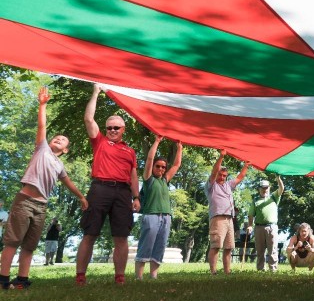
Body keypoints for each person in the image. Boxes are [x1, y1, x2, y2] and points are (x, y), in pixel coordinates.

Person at [1, 87, 87, 290]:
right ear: (49, 141)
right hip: (24, 201)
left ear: (65, 150)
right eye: (56, 137)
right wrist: (42, 104)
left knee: (30, 244)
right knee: (13, 240)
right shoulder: (42, 149)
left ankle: (22, 279)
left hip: (41, 206)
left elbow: (69, 183)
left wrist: (82, 197)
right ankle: (3, 278)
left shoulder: (59, 165)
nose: (58, 139)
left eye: (63, 140)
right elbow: (42, 126)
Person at [76, 84, 138, 286]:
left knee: (121, 236)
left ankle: (120, 277)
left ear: (123, 130)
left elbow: (134, 175)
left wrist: (136, 197)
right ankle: (80, 277)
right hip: (100, 189)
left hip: (123, 192)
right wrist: (95, 92)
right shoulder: (100, 141)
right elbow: (88, 119)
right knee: (90, 233)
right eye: (109, 127)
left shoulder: (130, 151)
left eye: (116, 128)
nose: (112, 130)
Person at [135, 135, 182, 280]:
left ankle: (153, 275)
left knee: (160, 246)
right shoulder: (149, 179)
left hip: (166, 217)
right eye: (158, 166)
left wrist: (179, 148)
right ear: (153, 167)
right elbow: (149, 159)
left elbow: (176, 165)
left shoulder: (164, 180)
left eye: (163, 167)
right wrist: (156, 141)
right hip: (151, 215)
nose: (161, 169)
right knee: (146, 245)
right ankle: (139, 277)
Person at [206, 150, 249, 275]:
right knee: (215, 246)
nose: (222, 177)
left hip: (230, 219)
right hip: (217, 218)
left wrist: (246, 166)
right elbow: (214, 171)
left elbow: (240, 178)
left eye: (225, 175)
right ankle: (213, 272)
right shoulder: (211, 185)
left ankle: (227, 272)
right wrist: (221, 156)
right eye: (220, 174)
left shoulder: (228, 185)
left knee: (229, 247)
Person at [247, 177, 284, 272]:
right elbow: (251, 214)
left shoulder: (274, 197)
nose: (265, 189)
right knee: (260, 251)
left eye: (266, 187)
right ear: (259, 189)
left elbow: (281, 188)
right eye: (262, 188)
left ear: (269, 188)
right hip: (259, 227)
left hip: (272, 227)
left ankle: (273, 270)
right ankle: (260, 270)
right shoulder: (255, 201)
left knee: (273, 250)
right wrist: (250, 225)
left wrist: (278, 179)